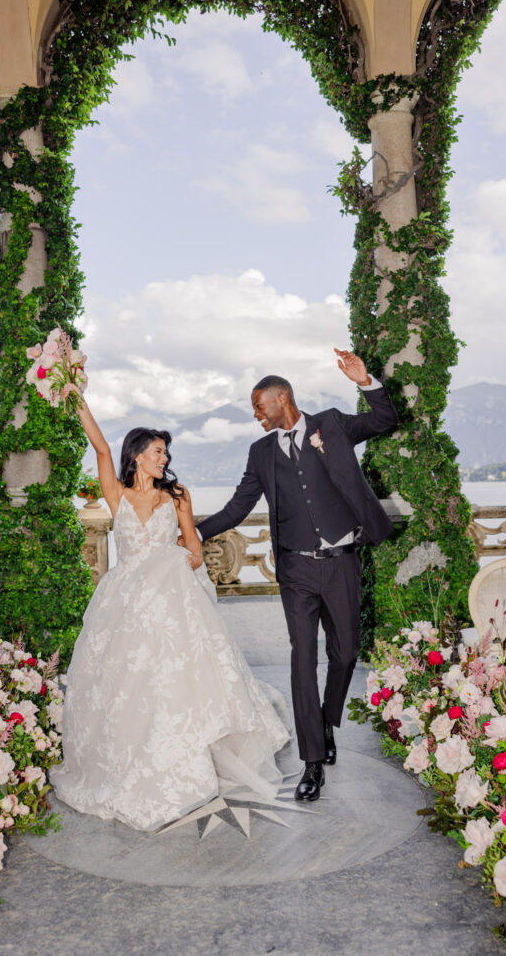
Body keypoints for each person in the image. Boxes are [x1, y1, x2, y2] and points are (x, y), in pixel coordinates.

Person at [49, 394, 289, 832]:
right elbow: (100, 448)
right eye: (158, 451)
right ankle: (129, 757)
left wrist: (175, 559)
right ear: (138, 456)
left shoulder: (177, 495)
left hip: (170, 596)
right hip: (124, 602)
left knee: (175, 676)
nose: (164, 458)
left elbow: (194, 550)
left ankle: (185, 756)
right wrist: (75, 396)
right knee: (125, 679)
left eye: (166, 452)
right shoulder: (116, 495)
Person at [192, 348, 399, 802]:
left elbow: (383, 420)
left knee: (345, 654)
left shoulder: (333, 424)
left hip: (342, 562)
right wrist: (190, 532)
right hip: (296, 569)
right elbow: (237, 506)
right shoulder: (261, 452)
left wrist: (366, 383)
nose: (256, 417)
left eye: (258, 407)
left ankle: (325, 717)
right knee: (302, 657)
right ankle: (312, 761)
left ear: (282, 399)